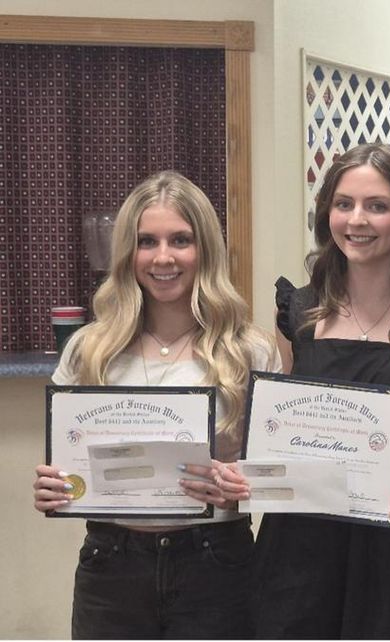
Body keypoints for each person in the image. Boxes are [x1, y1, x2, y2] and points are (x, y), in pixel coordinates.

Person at [216, 143, 390, 639]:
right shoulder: (299, 312)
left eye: (377, 206)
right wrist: (245, 473)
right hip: (299, 548)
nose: (357, 220)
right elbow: (275, 428)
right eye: (343, 204)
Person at [31, 171, 282, 639]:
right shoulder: (89, 348)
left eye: (180, 240)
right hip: (111, 566)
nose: (163, 257)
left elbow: (281, 472)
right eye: (147, 241)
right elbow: (67, 462)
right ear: (129, 252)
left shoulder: (251, 350)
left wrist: (239, 485)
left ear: (205, 248)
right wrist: (54, 486)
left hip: (217, 563)